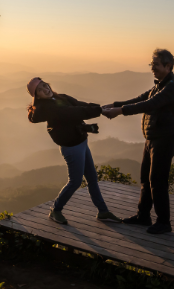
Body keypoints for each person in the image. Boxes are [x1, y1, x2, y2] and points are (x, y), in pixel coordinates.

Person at [102, 48, 174, 235]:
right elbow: (141, 98)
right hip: (153, 138)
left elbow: (148, 105)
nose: (152, 68)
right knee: (146, 179)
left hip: (165, 139)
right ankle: (143, 216)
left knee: (157, 180)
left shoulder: (172, 87)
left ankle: (164, 222)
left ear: (168, 66)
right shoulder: (160, 85)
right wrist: (116, 105)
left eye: (155, 64)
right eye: (152, 64)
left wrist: (120, 112)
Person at [27, 77, 121, 225]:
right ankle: (56, 210)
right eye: (40, 90)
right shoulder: (49, 108)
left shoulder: (61, 97)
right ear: (37, 96)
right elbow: (75, 112)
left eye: (45, 85)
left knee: (92, 178)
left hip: (81, 142)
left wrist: (102, 108)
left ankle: (103, 211)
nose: (45, 89)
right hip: (72, 148)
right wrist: (101, 110)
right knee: (75, 181)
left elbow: (79, 104)